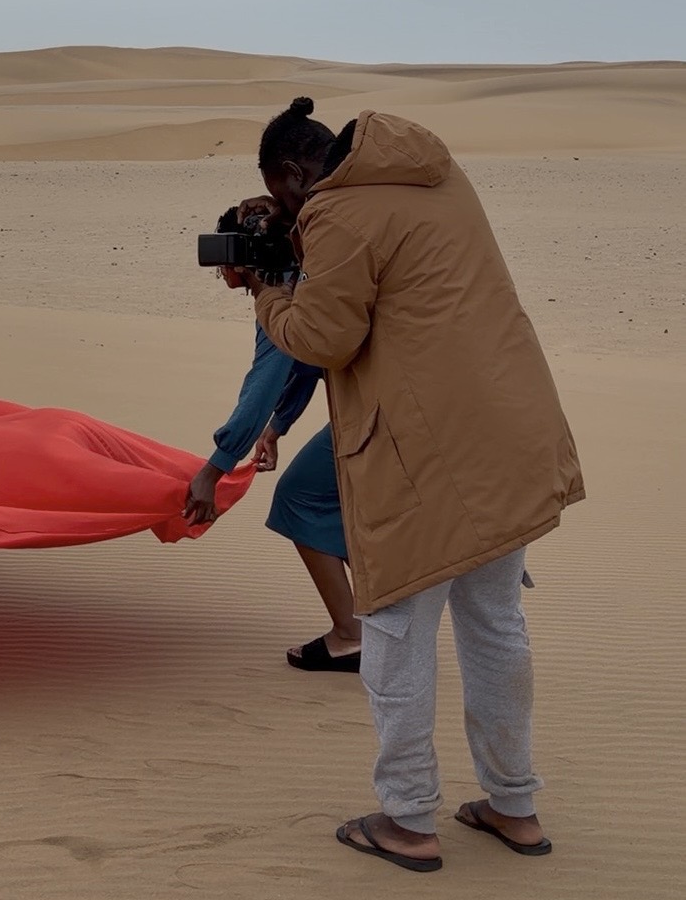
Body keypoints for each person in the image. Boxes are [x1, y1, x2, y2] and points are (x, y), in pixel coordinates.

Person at [243, 97, 585, 872]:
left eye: (284, 191)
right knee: (494, 625)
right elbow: (394, 279)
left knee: (395, 630)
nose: (293, 206)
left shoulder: (337, 214)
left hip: (421, 455)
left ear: (294, 171)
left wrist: (264, 289)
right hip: (508, 433)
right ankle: (513, 805)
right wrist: (296, 239)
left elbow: (323, 337)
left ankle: (406, 820)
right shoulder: (436, 175)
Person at [183, 266, 361, 672]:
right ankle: (385, 626)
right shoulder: (308, 276)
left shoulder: (280, 295)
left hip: (387, 412)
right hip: (414, 399)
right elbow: (306, 357)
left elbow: (263, 385)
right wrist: (279, 425)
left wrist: (214, 471)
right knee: (350, 503)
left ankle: (353, 636)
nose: (220, 272)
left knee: (298, 496)